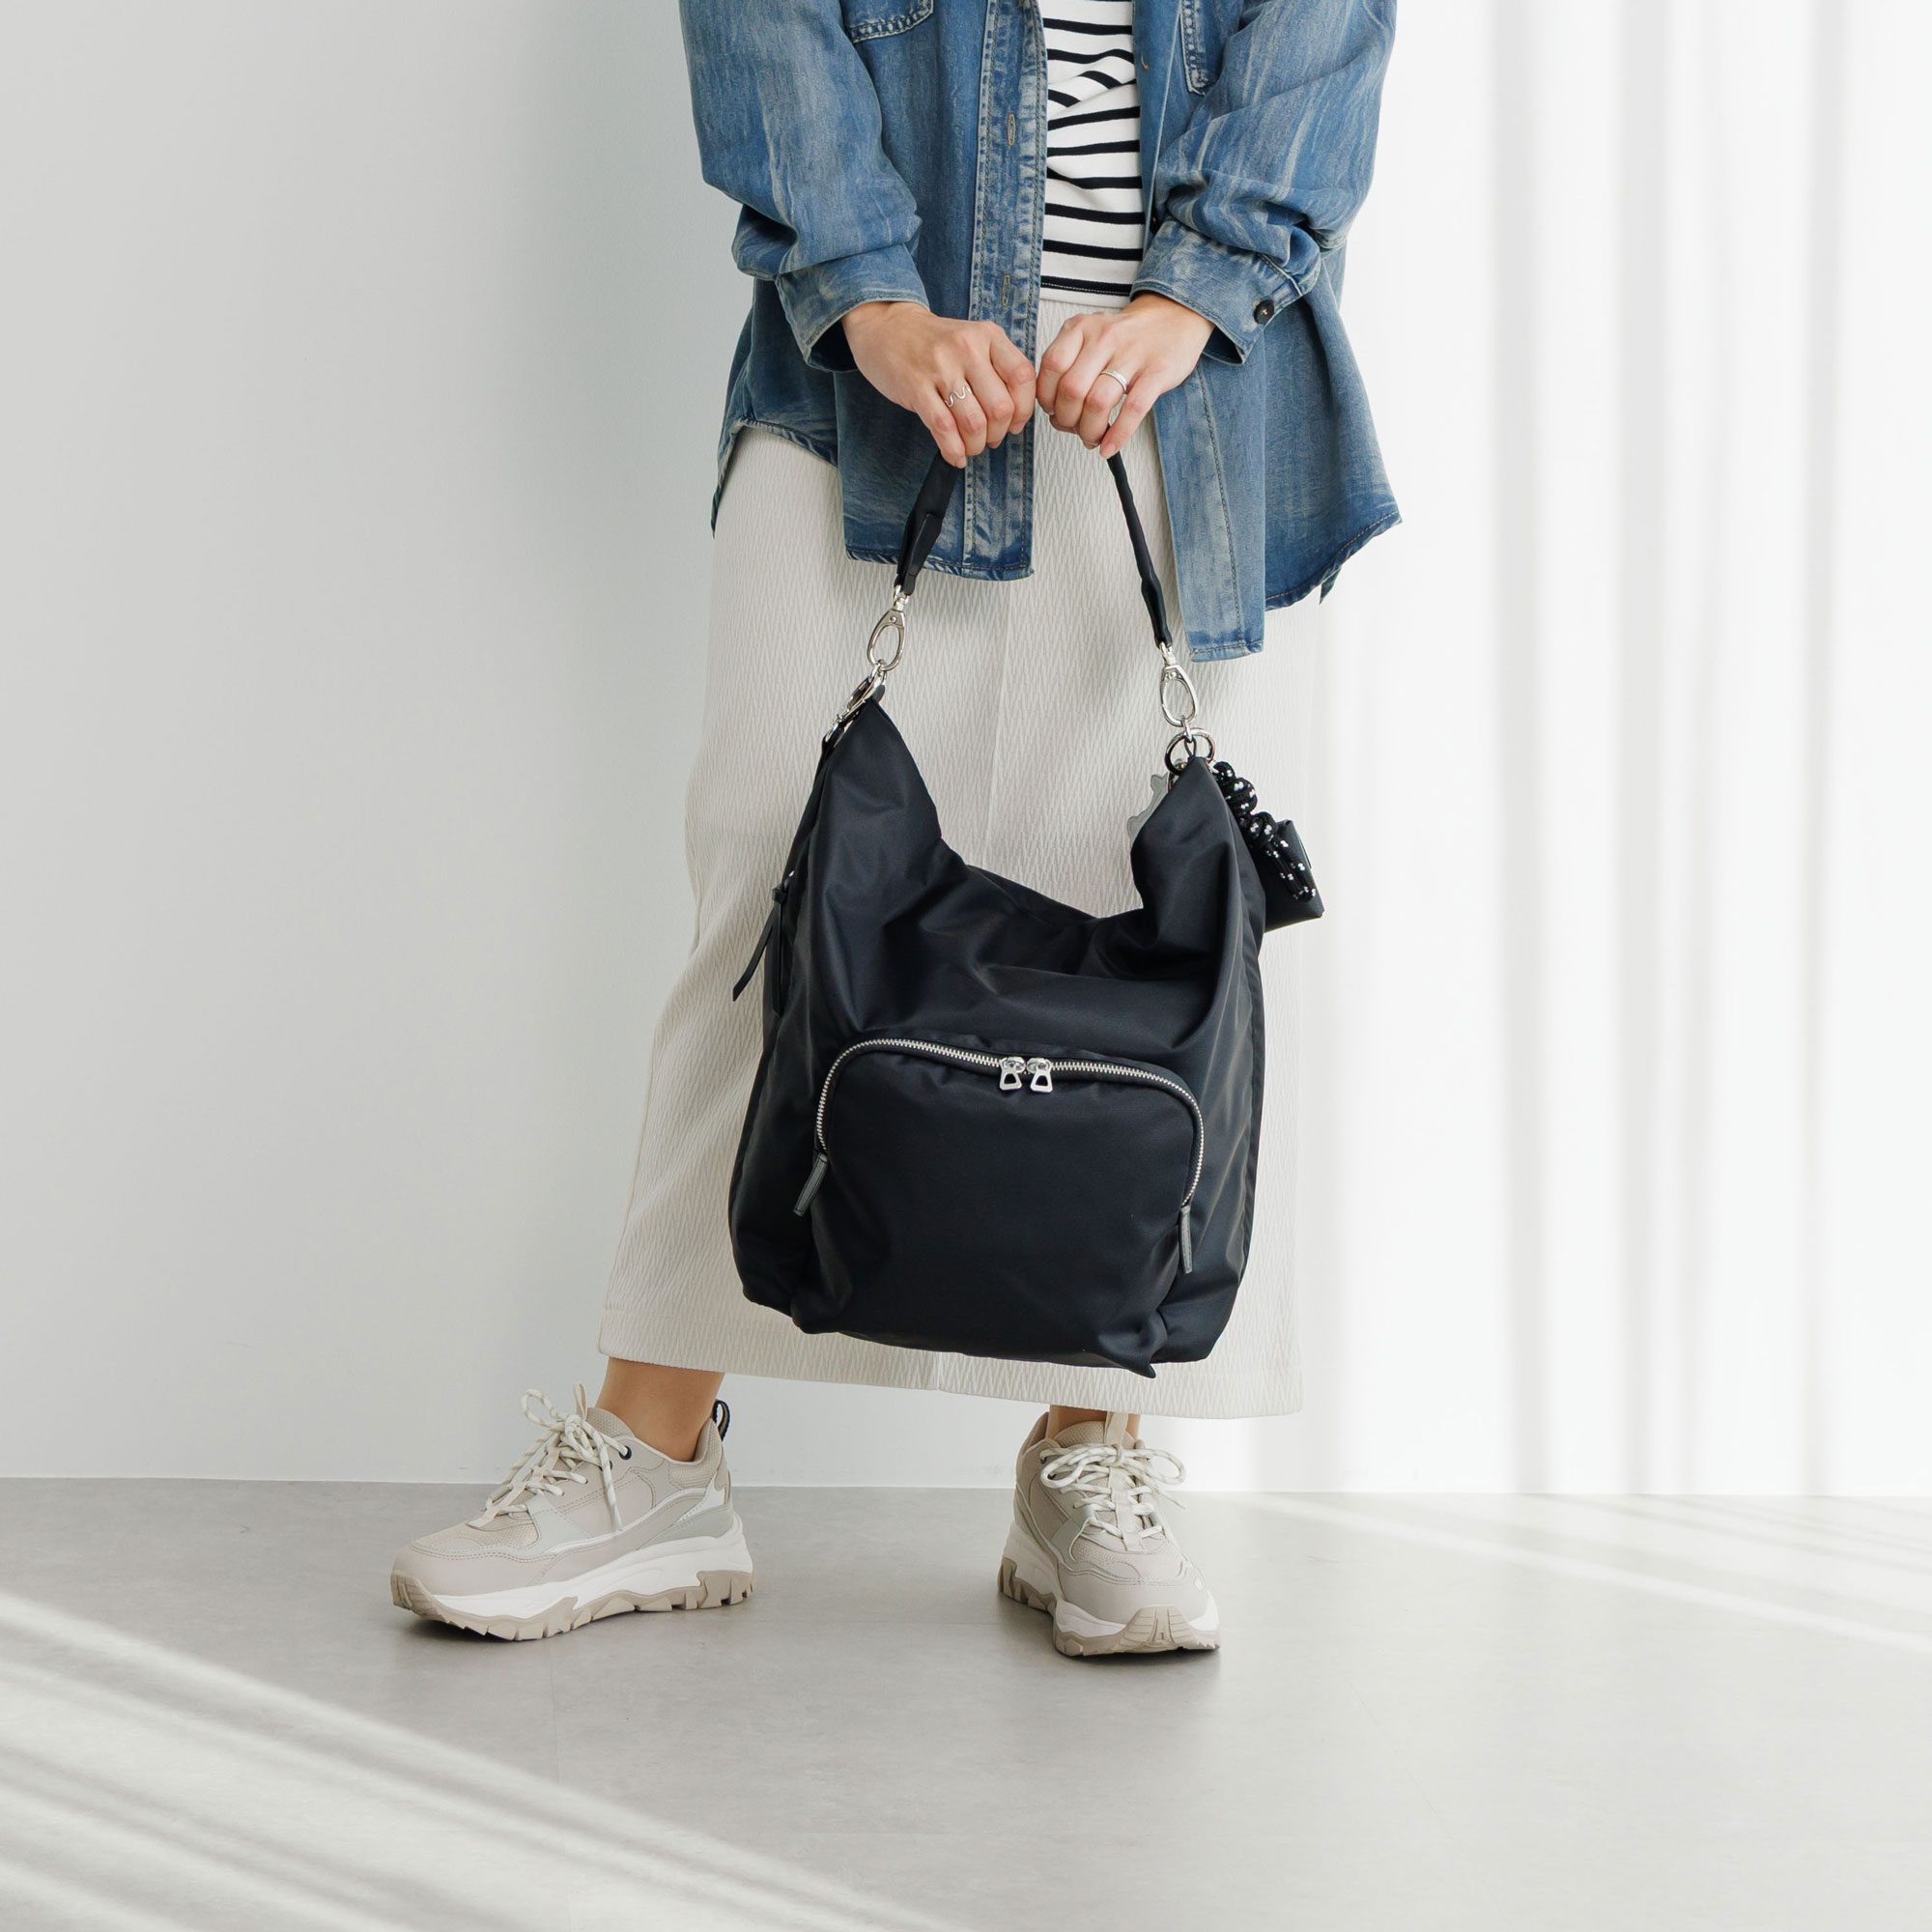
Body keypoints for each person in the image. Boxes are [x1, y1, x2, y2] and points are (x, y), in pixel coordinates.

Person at [389, 0, 1397, 1658]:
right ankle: (653, 1453)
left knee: (1134, 930)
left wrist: (1189, 294)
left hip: (1185, 383)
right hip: (877, 367)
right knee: (775, 894)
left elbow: (1319, 36)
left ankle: (1091, 1449)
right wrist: (867, 295)